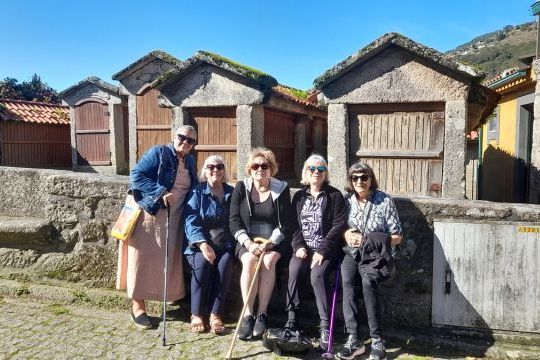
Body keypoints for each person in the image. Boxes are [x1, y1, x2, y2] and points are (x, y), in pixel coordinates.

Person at [116, 125, 198, 330]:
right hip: (150, 215)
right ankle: (138, 306)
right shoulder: (158, 153)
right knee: (142, 259)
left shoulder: (189, 161)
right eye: (182, 137)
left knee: (168, 260)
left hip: (176, 218)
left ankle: (168, 295)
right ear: (174, 136)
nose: (185, 142)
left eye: (191, 141)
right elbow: (136, 175)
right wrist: (161, 191)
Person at [336, 162, 402, 360]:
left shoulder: (384, 201)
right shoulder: (346, 201)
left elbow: (398, 236)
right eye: (355, 178)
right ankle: (354, 338)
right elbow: (337, 227)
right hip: (353, 253)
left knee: (368, 282)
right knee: (347, 280)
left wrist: (373, 239)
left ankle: (377, 340)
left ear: (371, 179)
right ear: (350, 181)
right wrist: (346, 233)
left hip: (376, 256)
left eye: (364, 177)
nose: (359, 181)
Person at [284, 154, 347, 352]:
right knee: (294, 271)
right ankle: (292, 321)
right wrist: (299, 246)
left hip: (326, 251)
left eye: (321, 169)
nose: (316, 173)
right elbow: (293, 226)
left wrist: (322, 250)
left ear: (325, 173)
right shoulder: (299, 196)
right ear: (305, 172)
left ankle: (325, 326)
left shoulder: (335, 196)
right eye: (312, 169)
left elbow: (338, 225)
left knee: (317, 276)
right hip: (304, 248)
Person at [229, 147, 292, 341]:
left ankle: (262, 314)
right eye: (255, 166)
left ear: (271, 169)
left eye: (264, 166)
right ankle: (248, 314)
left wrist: (271, 242)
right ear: (250, 169)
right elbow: (234, 220)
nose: (260, 169)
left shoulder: (281, 188)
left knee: (268, 261)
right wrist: (248, 243)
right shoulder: (241, 187)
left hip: (273, 241)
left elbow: (285, 223)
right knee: (249, 262)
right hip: (247, 240)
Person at [184, 155, 235, 334]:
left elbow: (236, 220)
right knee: (202, 264)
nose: (215, 169)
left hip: (225, 244)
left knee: (225, 263)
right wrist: (203, 245)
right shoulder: (197, 193)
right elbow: (191, 221)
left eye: (219, 166)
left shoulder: (232, 192)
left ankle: (215, 314)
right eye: (210, 166)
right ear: (205, 172)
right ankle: (196, 313)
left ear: (224, 171)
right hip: (201, 244)